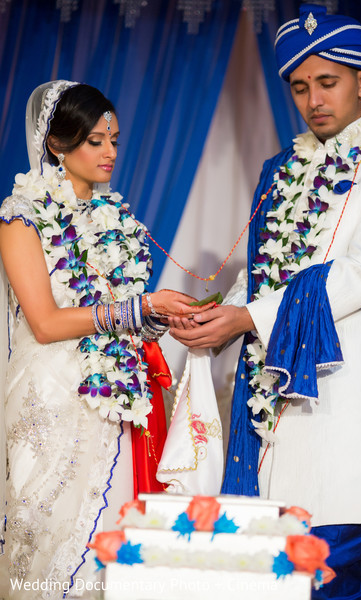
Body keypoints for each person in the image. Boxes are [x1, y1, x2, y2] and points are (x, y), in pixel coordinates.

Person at [169, 4, 361, 598]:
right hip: (274, 406)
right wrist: (218, 316)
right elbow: (263, 275)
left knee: (335, 567)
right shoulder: (279, 171)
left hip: (348, 394)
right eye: (300, 87)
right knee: (276, 573)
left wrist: (248, 316)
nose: (314, 99)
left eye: (328, 82)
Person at [0, 80, 211, 599]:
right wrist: (140, 307)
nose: (111, 152)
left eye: (114, 140)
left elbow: (118, 315)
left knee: (111, 554)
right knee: (48, 549)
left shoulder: (117, 217)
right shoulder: (20, 218)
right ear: (57, 144)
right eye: (95, 141)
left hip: (116, 402)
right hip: (51, 401)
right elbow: (46, 322)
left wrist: (161, 320)